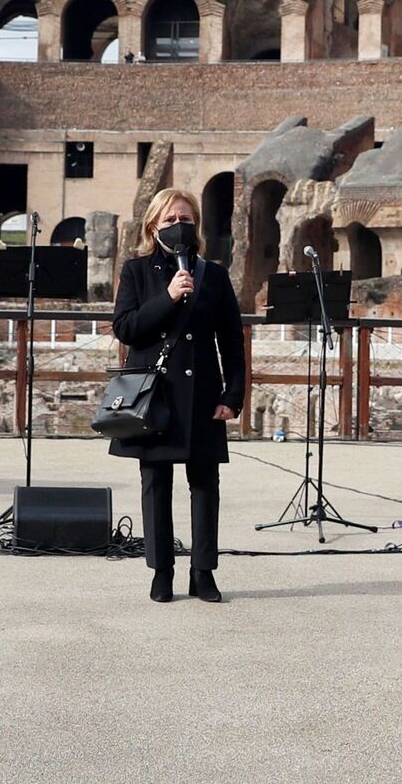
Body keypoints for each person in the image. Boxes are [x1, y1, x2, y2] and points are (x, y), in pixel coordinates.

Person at [109, 188, 245, 603]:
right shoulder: (136, 271)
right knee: (156, 484)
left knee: (205, 485)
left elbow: (232, 342)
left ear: (196, 225)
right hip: (155, 395)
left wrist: (233, 394)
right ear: (153, 227)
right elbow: (127, 329)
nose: (177, 226)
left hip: (202, 392)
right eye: (168, 220)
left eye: (184, 218)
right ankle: (161, 571)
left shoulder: (213, 275)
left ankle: (203, 571)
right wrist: (168, 297)